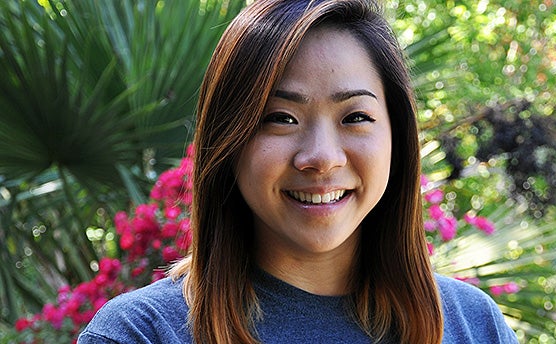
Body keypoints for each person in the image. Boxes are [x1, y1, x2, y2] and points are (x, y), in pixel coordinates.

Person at [78, 0, 518, 343]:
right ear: (229, 141)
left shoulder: (472, 325)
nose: (322, 157)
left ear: (397, 138)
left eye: (355, 117)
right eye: (280, 118)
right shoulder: (141, 334)